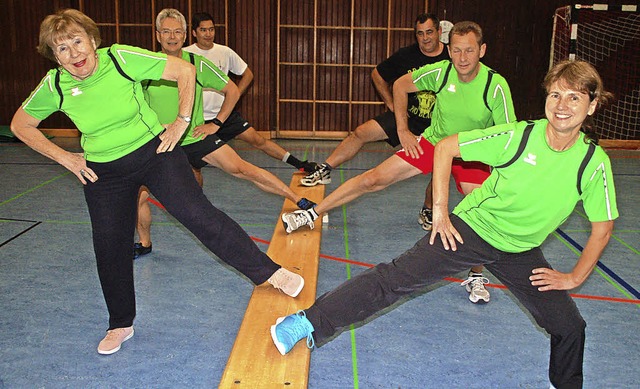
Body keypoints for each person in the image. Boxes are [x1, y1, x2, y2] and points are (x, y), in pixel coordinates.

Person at [270, 59, 617, 389]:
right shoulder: (519, 136)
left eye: (574, 97)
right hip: (472, 230)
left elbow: (602, 229)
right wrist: (440, 210)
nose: (562, 105)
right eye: (555, 94)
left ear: (592, 105)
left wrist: (573, 277)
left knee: (570, 326)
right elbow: (447, 147)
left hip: (520, 249)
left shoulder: (592, 162)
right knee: (393, 280)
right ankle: (304, 323)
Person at [10, 9, 305, 356]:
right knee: (109, 246)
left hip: (155, 153)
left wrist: (181, 121)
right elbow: (21, 125)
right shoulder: (55, 85)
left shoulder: (119, 58)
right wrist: (66, 157)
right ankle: (120, 323)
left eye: (77, 42)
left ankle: (269, 273)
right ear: (54, 56)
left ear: (92, 40)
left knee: (200, 216)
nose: (74, 54)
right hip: (103, 173)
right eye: (62, 48)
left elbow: (184, 70)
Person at [282, 21, 517, 303]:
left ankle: (477, 273)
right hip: (435, 143)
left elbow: (508, 135)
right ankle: (312, 213)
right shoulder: (441, 73)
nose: (463, 58)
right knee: (373, 179)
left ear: (482, 50)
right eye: (456, 51)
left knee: (478, 204)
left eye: (469, 51)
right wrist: (403, 130)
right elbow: (400, 85)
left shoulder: (495, 85)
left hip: (473, 152)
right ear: (450, 51)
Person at [134, 8, 316, 259]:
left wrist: (217, 123)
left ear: (186, 35)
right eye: (166, 31)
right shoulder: (145, 65)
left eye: (177, 31)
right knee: (139, 195)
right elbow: (136, 104)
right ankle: (144, 243)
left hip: (194, 137)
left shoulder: (197, 63)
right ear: (157, 35)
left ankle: (299, 200)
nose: (172, 36)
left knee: (242, 168)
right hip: (161, 142)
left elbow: (232, 90)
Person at [299, 13, 449, 187]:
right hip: (408, 118)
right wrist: (391, 104)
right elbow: (377, 75)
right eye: (420, 33)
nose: (425, 38)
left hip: (440, 124)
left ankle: (428, 210)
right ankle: (325, 169)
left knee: (440, 168)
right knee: (361, 132)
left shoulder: (452, 56)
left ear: (439, 31)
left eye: (429, 32)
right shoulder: (406, 55)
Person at [183, 12, 316, 173]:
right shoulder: (185, 54)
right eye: (203, 30)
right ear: (194, 33)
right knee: (194, 165)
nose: (208, 34)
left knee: (258, 140)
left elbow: (247, 74)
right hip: (199, 120)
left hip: (225, 116)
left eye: (211, 29)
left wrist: (235, 94)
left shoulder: (225, 52)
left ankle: (300, 164)